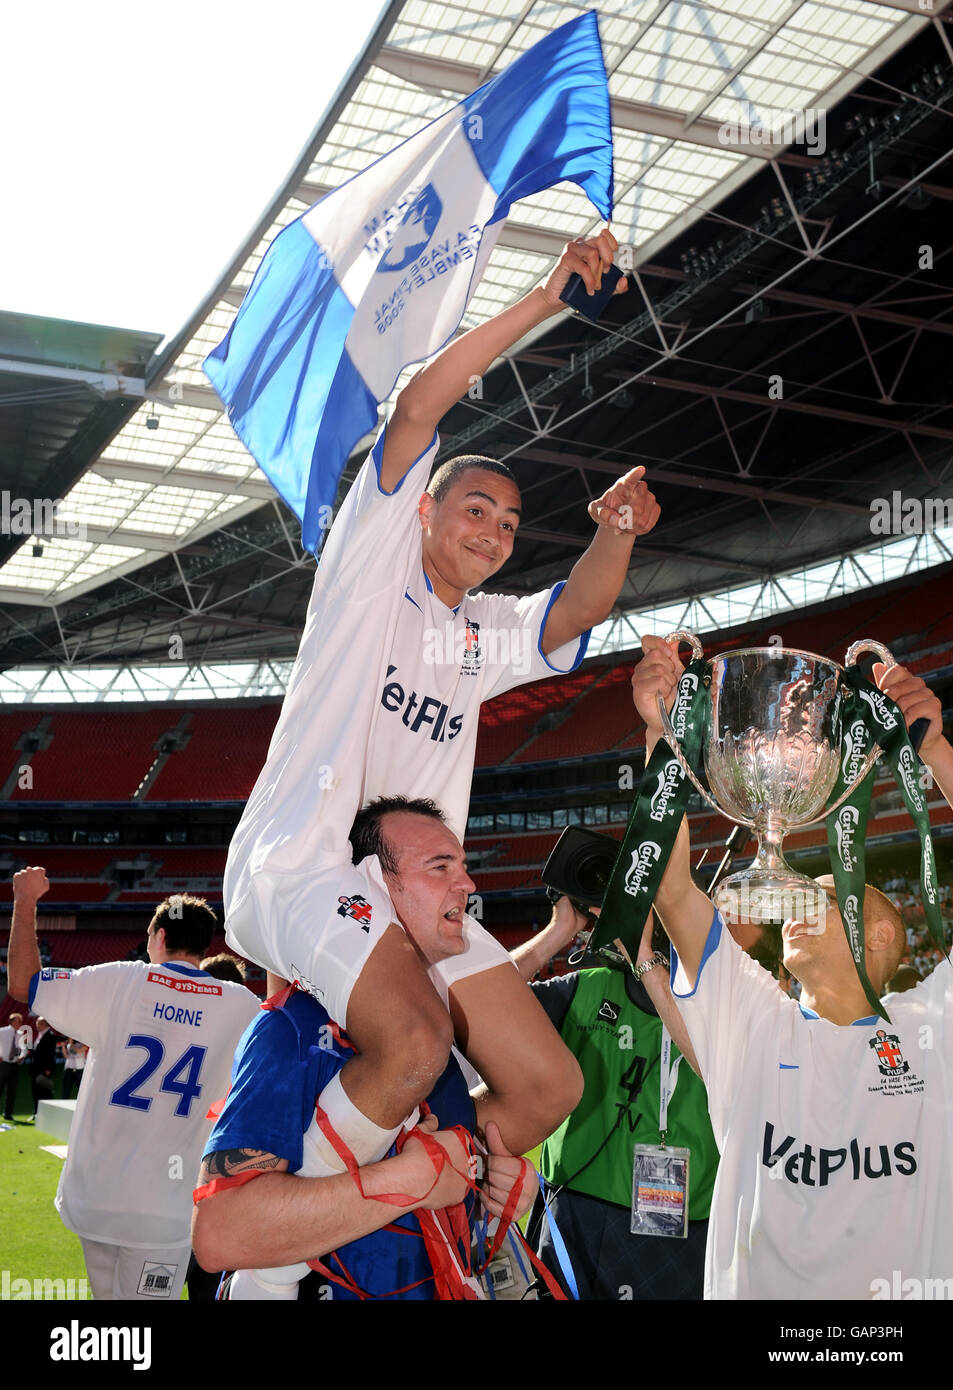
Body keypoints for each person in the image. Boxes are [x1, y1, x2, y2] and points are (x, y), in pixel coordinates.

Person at [221, 231, 649, 1198]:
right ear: (420, 511)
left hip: (425, 901)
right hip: (304, 867)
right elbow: (419, 406)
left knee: (547, 1087)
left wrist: (615, 531)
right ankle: (279, 1251)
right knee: (415, 1046)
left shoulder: (480, 631)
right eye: (476, 509)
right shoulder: (369, 573)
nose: (495, 532)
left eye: (509, 523)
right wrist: (544, 301)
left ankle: (391, 1201)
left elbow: (577, 609)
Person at [632, 634, 953, 1300]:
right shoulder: (750, 1021)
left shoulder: (934, 1031)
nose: (805, 900)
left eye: (833, 896)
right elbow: (669, 893)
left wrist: (934, 753)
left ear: (885, 935)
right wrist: (660, 735)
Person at [193, 797, 539, 1300]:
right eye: (440, 867)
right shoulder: (293, 1026)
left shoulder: (431, 1033)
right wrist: (410, 1178)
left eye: (463, 867)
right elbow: (222, 1232)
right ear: (373, 888)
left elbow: (435, 1201)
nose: (466, 885)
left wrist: (491, 1190)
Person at [7, 871, 259, 1301]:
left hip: (96, 1198)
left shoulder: (122, 980)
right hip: (166, 1210)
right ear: (203, 945)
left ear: (159, 936)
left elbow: (22, 985)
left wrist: (25, 900)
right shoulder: (241, 1005)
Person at [514, 899, 723, 1300]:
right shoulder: (587, 987)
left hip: (684, 1221)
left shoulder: (721, 1007)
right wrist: (557, 933)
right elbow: (484, 999)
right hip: (575, 1204)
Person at [29, 1016, 57, 1120]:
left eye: (38, 1023)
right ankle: (36, 1114)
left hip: (44, 1070)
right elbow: (37, 1052)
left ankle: (47, 1114)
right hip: (35, 1069)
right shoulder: (40, 1035)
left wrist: (48, 1069)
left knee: (45, 1092)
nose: (36, 1025)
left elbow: (50, 1054)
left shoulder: (50, 1036)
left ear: (44, 1024)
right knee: (36, 1092)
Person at [0, 1010, 24, 1120]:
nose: (19, 1022)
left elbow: (23, 1049)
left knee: (12, 1091)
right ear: (11, 1021)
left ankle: (8, 1114)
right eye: (17, 1020)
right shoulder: (2, 1031)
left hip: (14, 1065)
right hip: (2, 1064)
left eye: (21, 1021)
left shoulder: (21, 1035)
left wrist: (22, 1057)